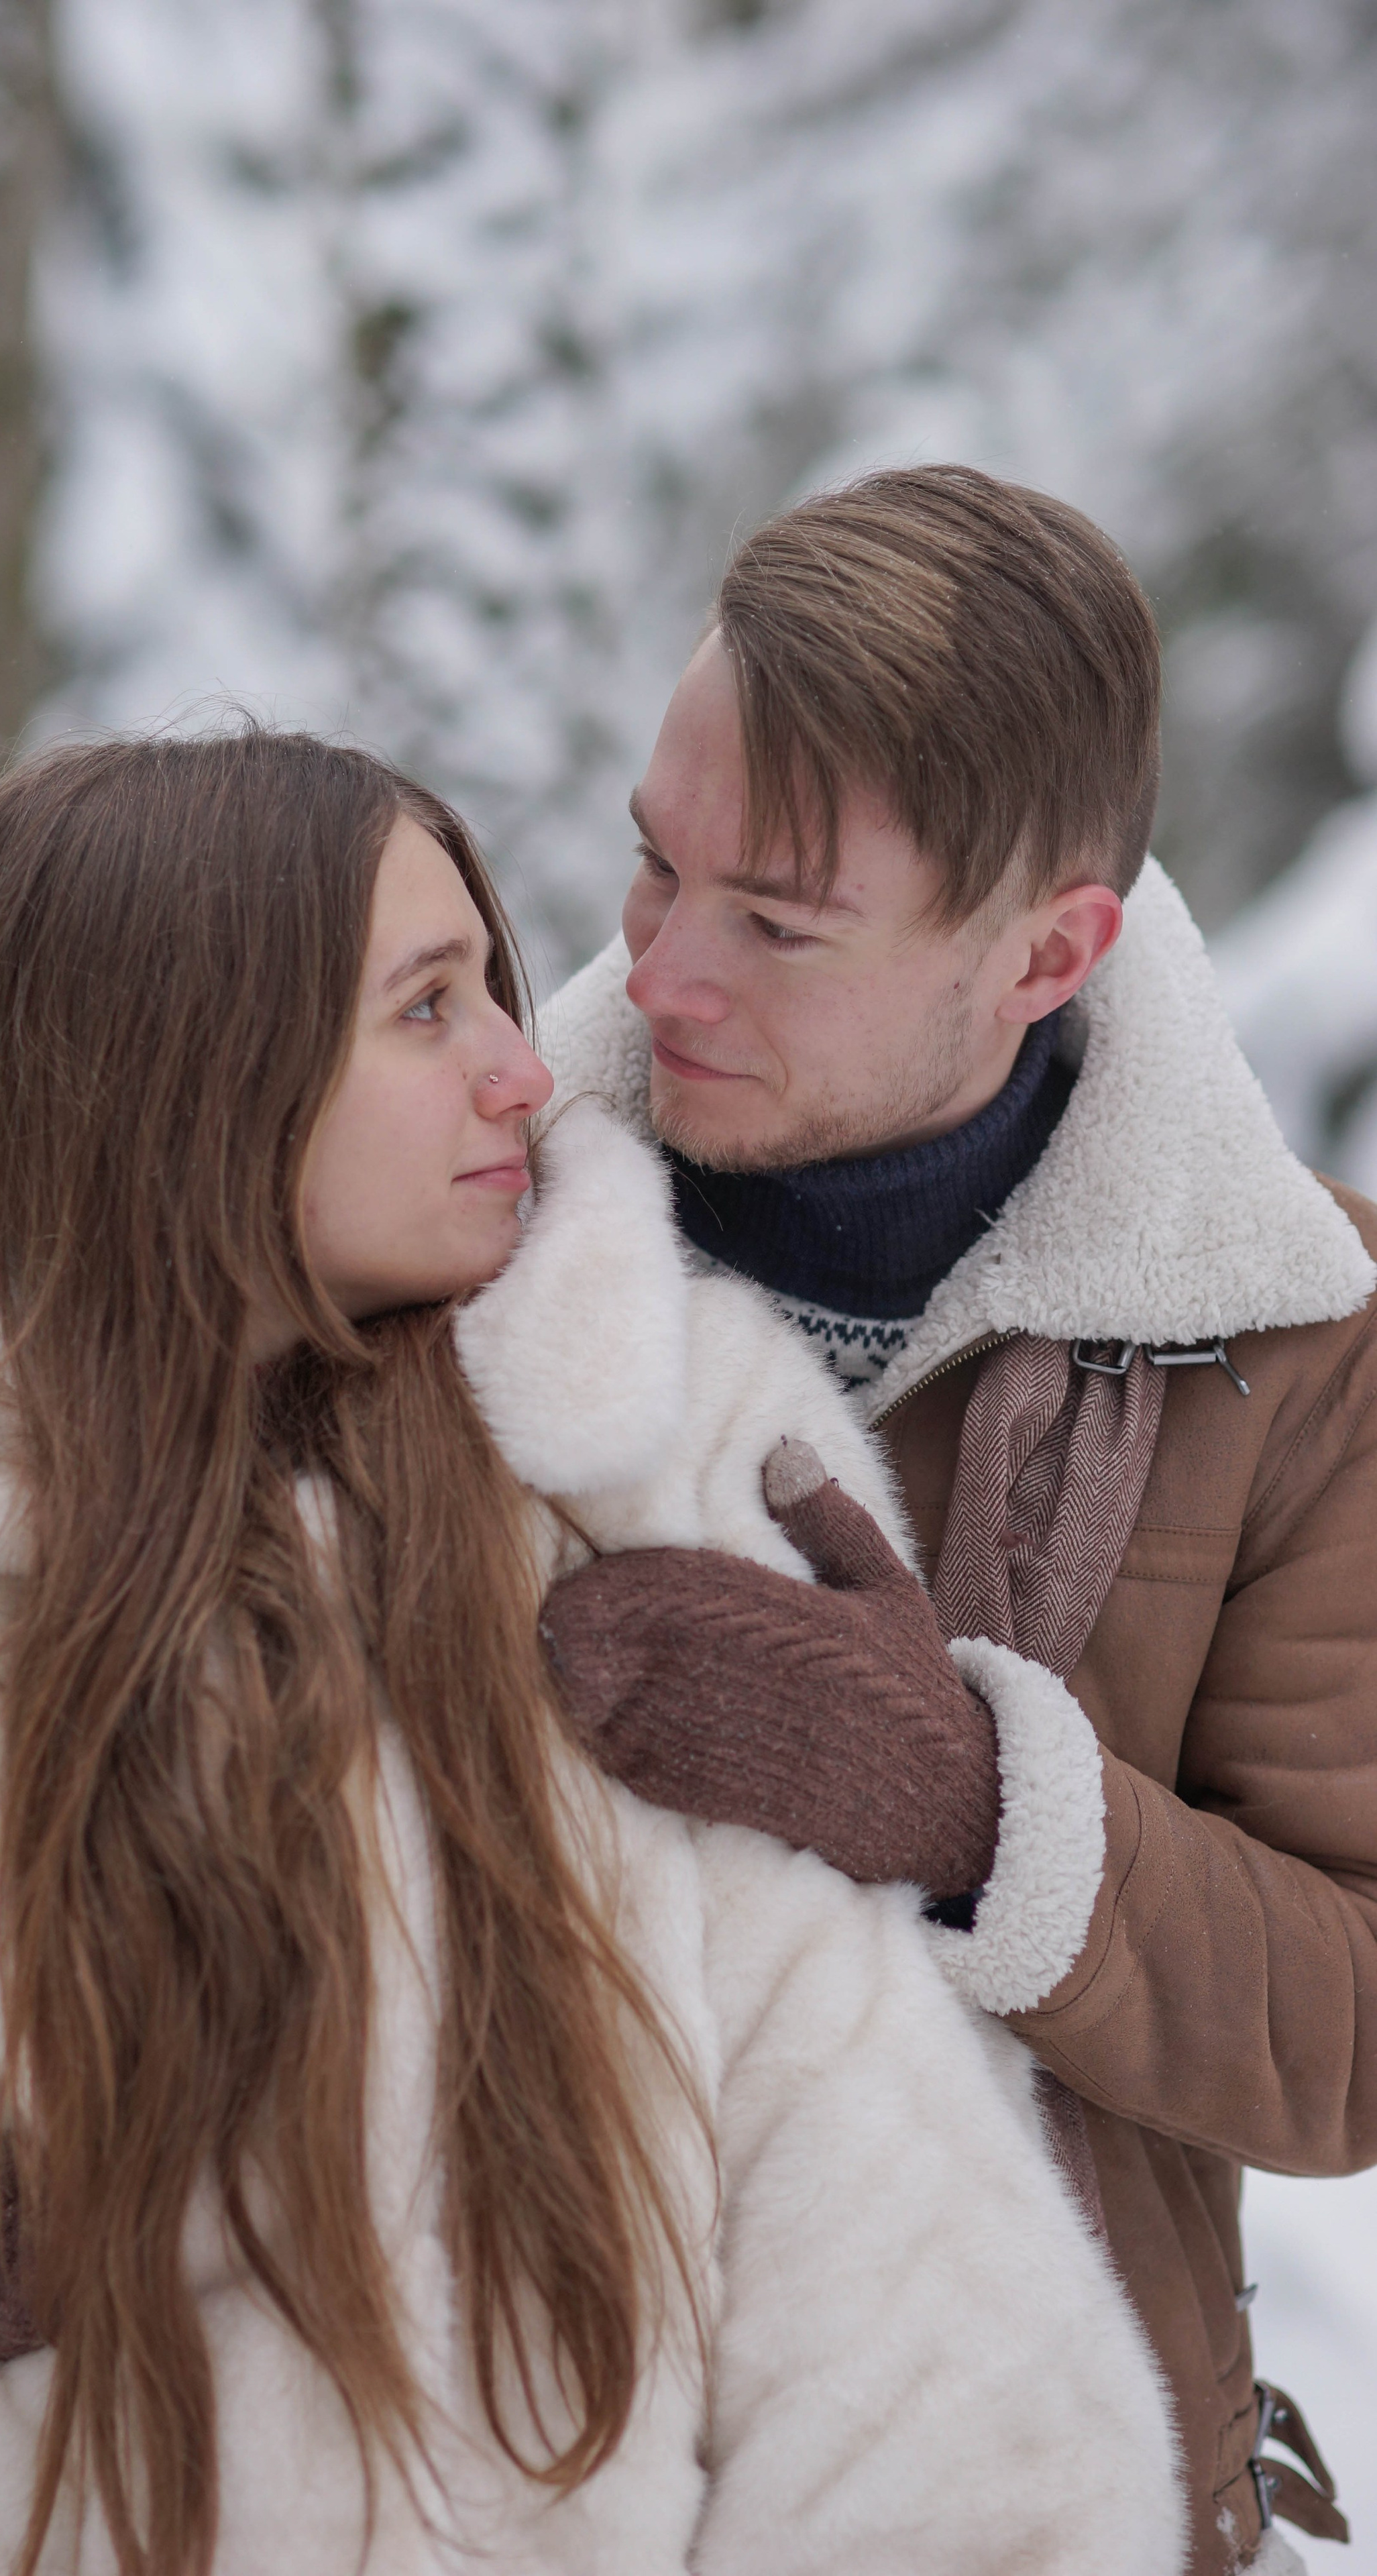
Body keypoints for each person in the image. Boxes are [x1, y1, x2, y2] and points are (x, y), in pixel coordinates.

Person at [0, 729, 1182, 2574]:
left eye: (493, 988)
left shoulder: (654, 1463)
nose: (528, 1072)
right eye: (427, 1008)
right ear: (193, 1072)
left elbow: (892, 2278)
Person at [531, 464, 1374, 2575]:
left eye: (780, 922)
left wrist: (984, 1807)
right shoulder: (440, 1237)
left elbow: (1355, 2029)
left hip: (1044, 2494)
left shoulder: (1302, 1342)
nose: (658, 974)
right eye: (654, 863)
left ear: (1046, 951)